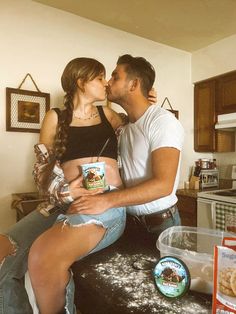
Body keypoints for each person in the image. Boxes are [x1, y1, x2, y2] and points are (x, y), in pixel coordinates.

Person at [0, 56, 156, 314]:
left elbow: (137, 133)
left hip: (105, 203)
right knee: (2, 251)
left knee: (45, 257)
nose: (106, 83)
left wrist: (142, 102)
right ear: (81, 81)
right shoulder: (54, 117)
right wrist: (67, 191)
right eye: (99, 77)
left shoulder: (109, 115)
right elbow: (40, 172)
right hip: (61, 202)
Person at [68, 54, 184, 242]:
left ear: (133, 85)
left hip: (160, 225)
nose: (107, 82)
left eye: (115, 77)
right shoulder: (124, 126)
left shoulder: (162, 122)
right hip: (127, 221)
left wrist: (105, 201)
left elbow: (164, 185)